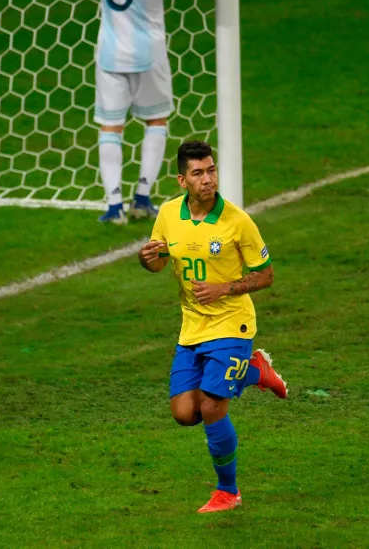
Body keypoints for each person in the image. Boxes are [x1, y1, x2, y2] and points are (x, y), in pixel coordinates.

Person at [138, 140, 287, 513]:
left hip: (232, 324)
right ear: (181, 180)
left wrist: (226, 287)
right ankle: (254, 371)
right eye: (198, 173)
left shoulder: (237, 221)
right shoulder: (169, 215)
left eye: (211, 170)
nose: (208, 179)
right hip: (192, 328)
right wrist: (146, 260)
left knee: (211, 408)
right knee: (183, 413)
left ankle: (228, 491)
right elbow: (159, 264)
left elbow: (266, 276)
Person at [86, 0, 242, 224]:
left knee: (110, 127)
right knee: (155, 121)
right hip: (148, 51)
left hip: (110, 51)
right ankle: (142, 198)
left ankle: (113, 207)